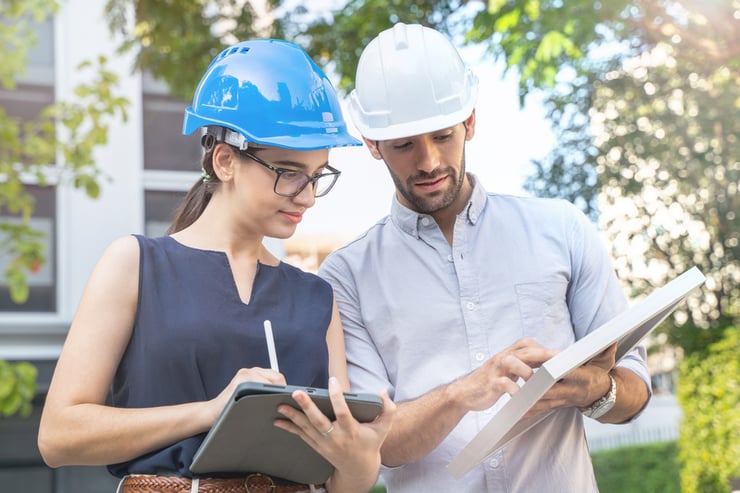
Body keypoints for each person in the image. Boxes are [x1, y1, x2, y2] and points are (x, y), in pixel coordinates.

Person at [37, 38, 395, 493]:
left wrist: (361, 459)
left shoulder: (316, 298)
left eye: (318, 175)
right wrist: (214, 410)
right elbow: (58, 436)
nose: (306, 195)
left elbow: (346, 483)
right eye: (288, 172)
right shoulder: (135, 264)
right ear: (225, 161)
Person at [318, 23, 651, 492]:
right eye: (404, 145)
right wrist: (461, 393)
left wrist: (596, 390)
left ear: (470, 120)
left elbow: (635, 392)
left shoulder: (562, 229)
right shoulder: (347, 277)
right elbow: (374, 444)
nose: (429, 161)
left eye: (442, 135)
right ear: (372, 144)